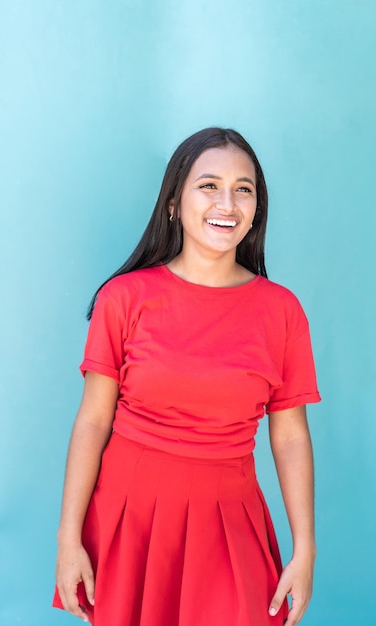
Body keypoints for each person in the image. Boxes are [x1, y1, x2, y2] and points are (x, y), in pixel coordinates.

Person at [53, 127, 321, 626]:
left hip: (229, 519)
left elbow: (289, 435)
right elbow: (93, 420)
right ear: (174, 202)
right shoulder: (124, 298)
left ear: (257, 207)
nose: (228, 202)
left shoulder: (282, 311)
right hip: (129, 517)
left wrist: (305, 550)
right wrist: (68, 538)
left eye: (244, 189)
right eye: (209, 185)